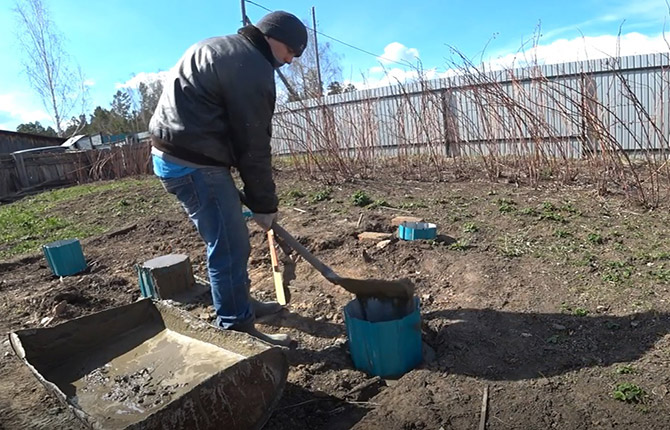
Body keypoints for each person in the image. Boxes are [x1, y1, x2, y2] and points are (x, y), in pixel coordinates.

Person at [148, 11, 307, 346]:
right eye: (293, 51)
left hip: (178, 155)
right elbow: (253, 145)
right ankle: (236, 328)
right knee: (230, 246)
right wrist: (264, 203)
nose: (291, 60)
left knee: (229, 236)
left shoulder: (218, 47)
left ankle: (240, 304)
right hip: (194, 165)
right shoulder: (251, 67)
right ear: (275, 37)